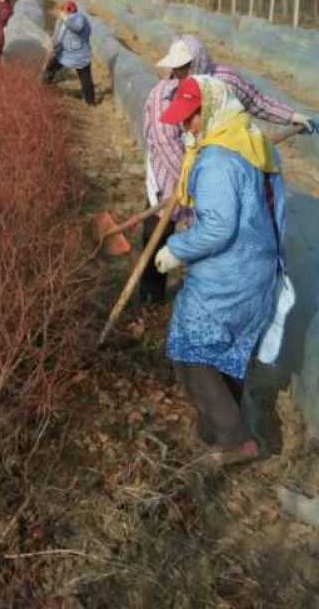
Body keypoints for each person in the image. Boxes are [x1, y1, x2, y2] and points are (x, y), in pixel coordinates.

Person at [154, 75, 287, 465]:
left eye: (190, 117)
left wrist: (175, 250)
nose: (184, 126)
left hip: (228, 272)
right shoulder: (252, 141)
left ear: (209, 110)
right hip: (258, 267)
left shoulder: (215, 161)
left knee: (189, 348)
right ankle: (215, 429)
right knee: (226, 347)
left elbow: (217, 228)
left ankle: (234, 440)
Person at [139, 33, 315, 303]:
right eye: (175, 67)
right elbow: (165, 144)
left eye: (183, 66)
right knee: (157, 236)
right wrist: (196, 181)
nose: (177, 72)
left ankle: (203, 291)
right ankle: (149, 301)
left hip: (219, 174)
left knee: (215, 237)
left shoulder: (226, 80)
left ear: (199, 61)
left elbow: (257, 102)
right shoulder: (163, 94)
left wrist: (293, 116)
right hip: (171, 178)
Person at [42, 0, 95, 105]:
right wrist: (54, 45)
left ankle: (90, 102)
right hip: (66, 52)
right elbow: (59, 36)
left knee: (85, 78)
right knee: (51, 68)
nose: (62, 13)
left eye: (64, 10)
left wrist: (66, 19)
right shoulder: (65, 20)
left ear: (69, 10)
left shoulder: (79, 18)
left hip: (78, 54)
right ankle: (44, 88)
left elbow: (77, 28)